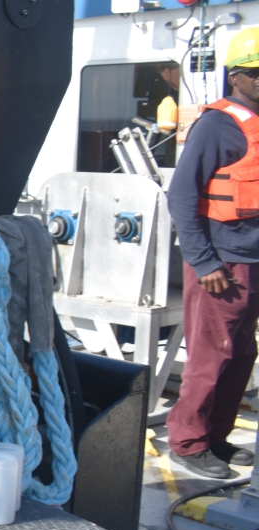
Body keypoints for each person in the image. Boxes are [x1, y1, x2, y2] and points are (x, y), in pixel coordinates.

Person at [166, 28, 259, 479]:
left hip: (254, 263)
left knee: (241, 354)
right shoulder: (217, 125)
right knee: (210, 355)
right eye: (256, 73)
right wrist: (203, 262)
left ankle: (217, 438)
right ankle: (186, 443)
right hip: (222, 265)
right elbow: (182, 194)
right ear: (237, 76)